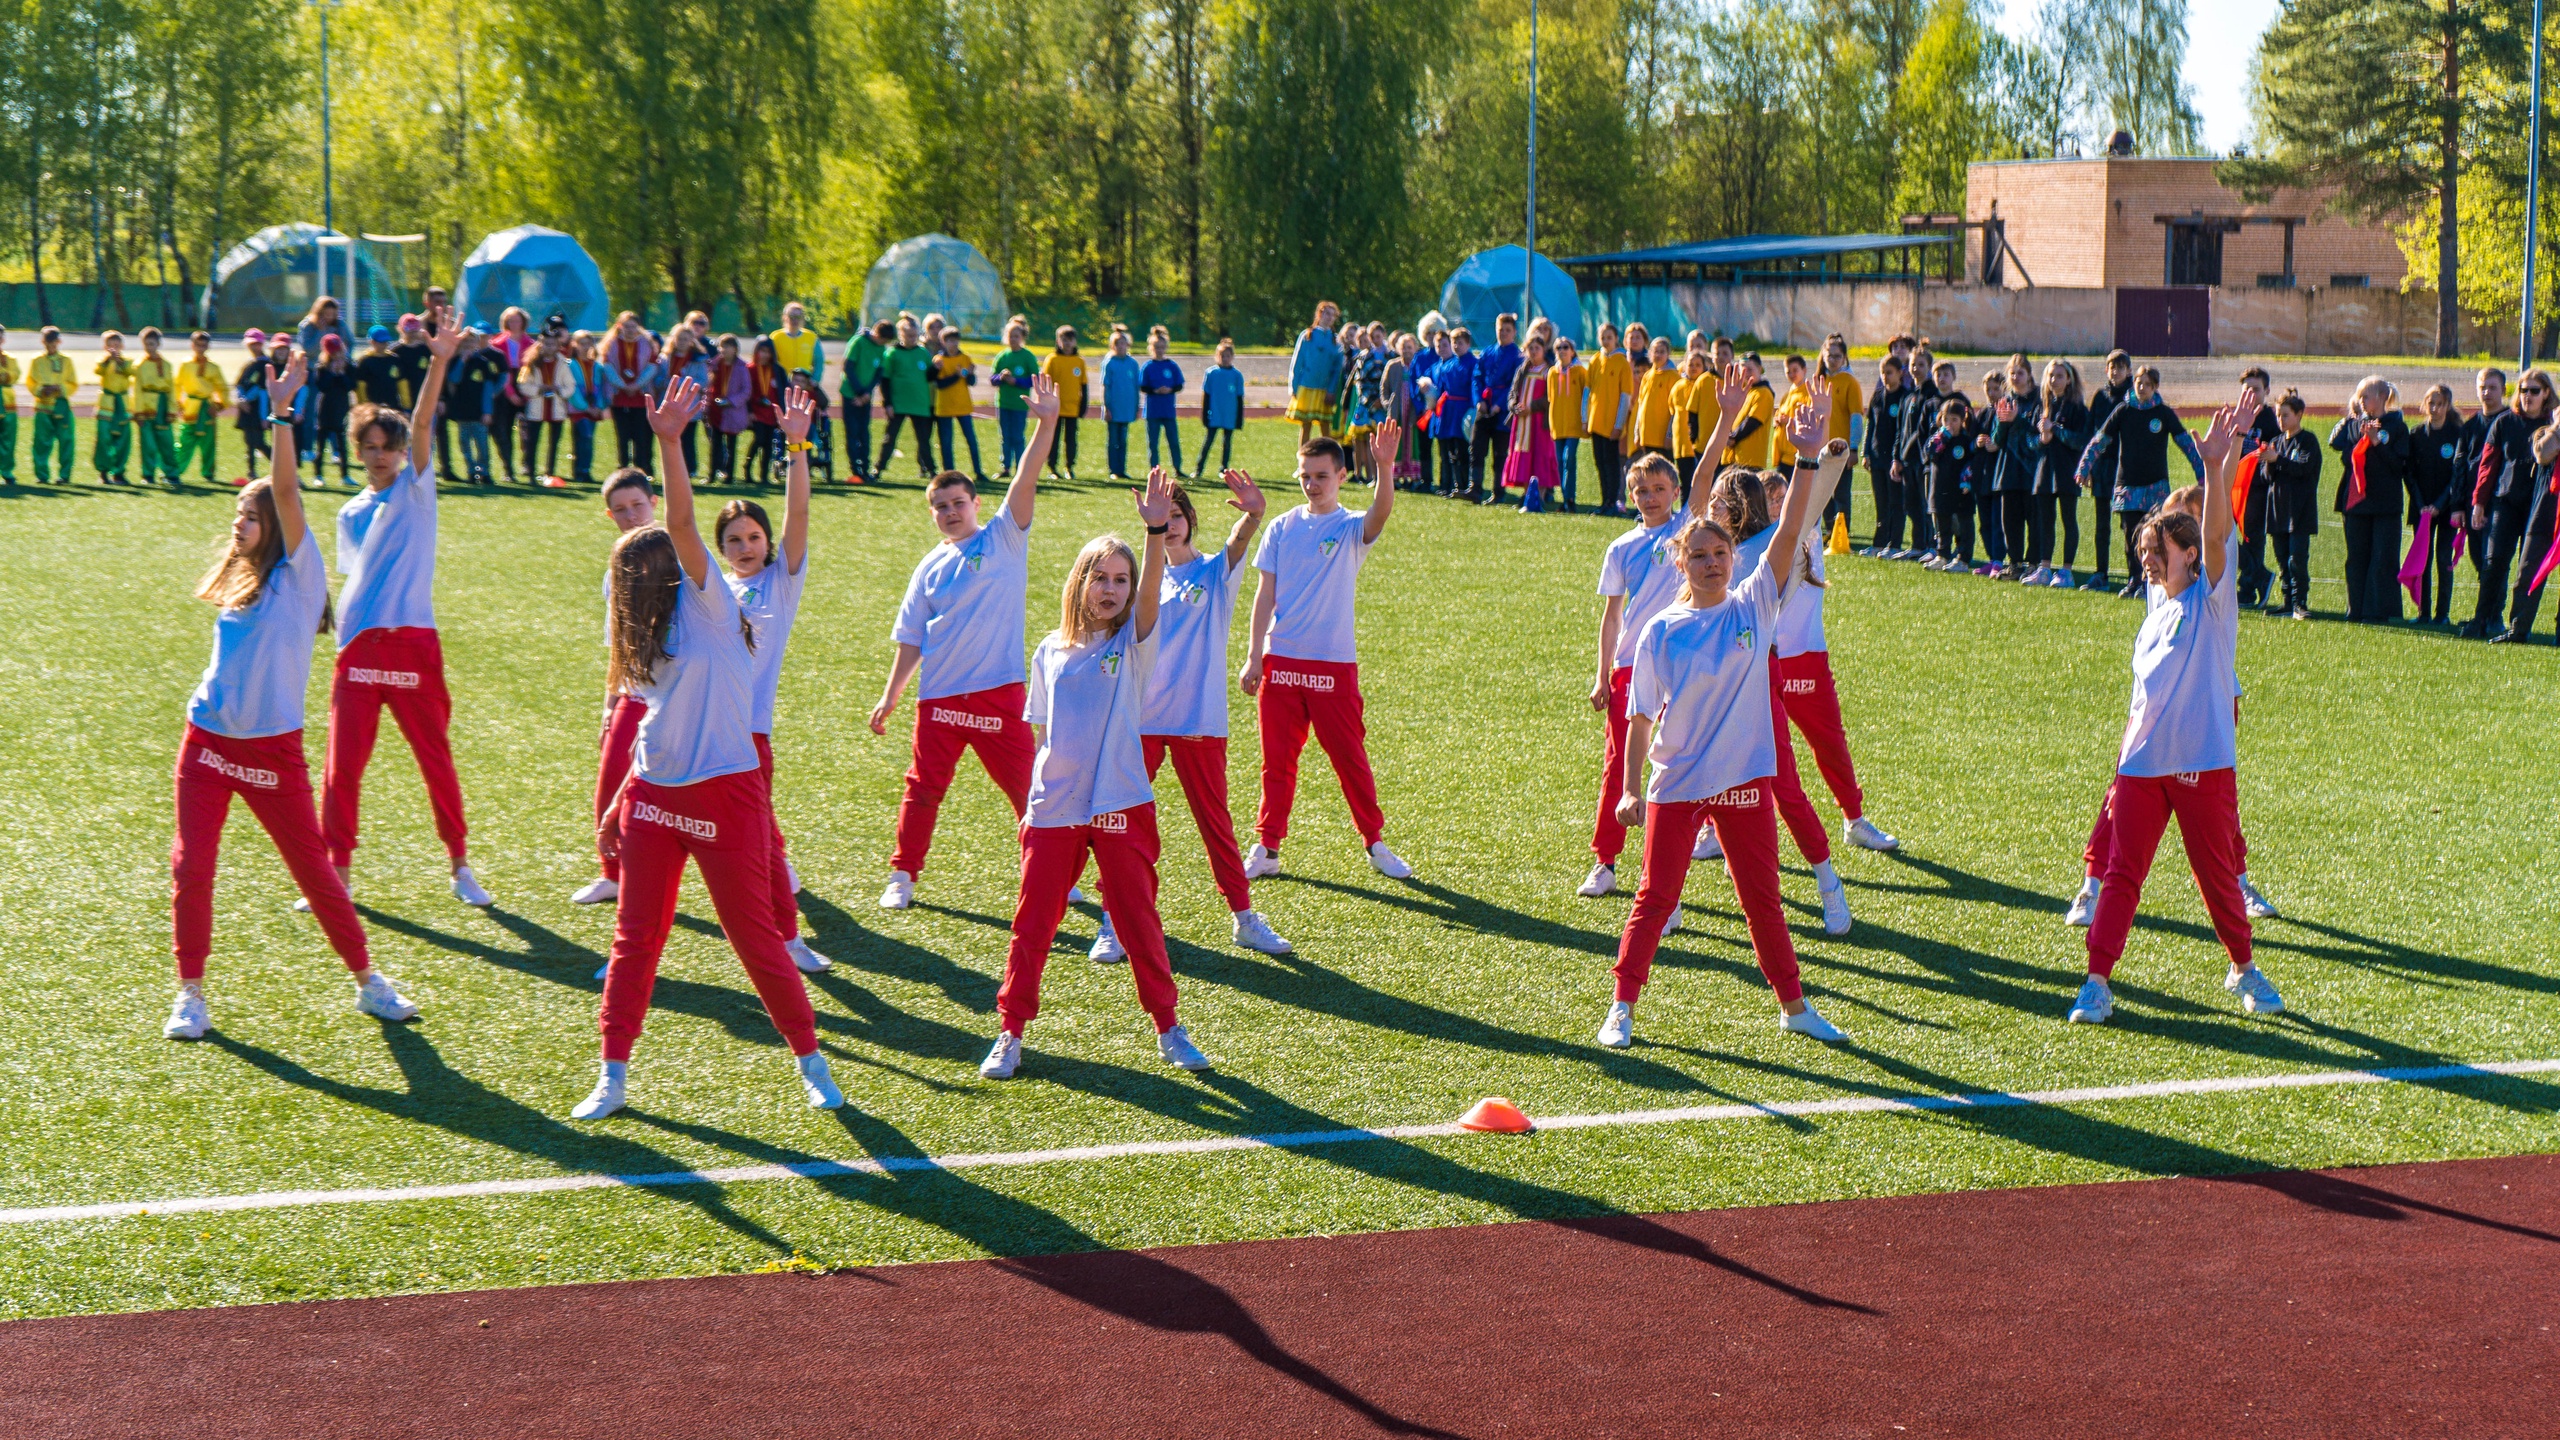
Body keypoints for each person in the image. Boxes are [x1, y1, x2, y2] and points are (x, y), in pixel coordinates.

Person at [573, 374, 845, 1121]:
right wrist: (624, 799)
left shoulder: (714, 603)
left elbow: (686, 522)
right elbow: (659, 724)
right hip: (657, 795)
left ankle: (811, 1060)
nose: (674, 552)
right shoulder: (648, 635)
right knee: (635, 942)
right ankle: (613, 1073)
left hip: (728, 789)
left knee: (755, 939)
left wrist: (669, 441)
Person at [163, 348, 421, 1042]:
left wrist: (280, 415)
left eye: (248, 517)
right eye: (235, 518)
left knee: (314, 872)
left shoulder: (299, 577)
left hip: (273, 752)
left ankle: (368, 980)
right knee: (192, 867)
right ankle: (191, 992)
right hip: (208, 742)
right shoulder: (239, 582)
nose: (238, 526)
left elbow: (284, 488)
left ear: (274, 523)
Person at [1594, 406, 1855, 1051]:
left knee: (1763, 901)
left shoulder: (1755, 601)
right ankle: (1622, 1007)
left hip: (1743, 782)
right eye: (1699, 556)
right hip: (1678, 783)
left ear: (1733, 556)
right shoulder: (1660, 632)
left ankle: (1795, 1008)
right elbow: (1637, 721)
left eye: (1720, 554)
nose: (1711, 564)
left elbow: (1791, 529)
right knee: (1655, 898)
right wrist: (1629, 790)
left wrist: (1804, 458)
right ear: (1680, 563)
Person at [979, 468, 1215, 1081]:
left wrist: (1157, 531)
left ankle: (1169, 1028)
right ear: (1079, 583)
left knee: (1138, 922)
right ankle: (1010, 1032)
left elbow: (1153, 583)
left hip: (1120, 802)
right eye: (1100, 578)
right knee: (1033, 924)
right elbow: (1041, 734)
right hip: (1055, 808)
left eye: (1122, 580)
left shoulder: (1134, 642)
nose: (1110, 589)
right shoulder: (1048, 651)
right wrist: (1035, 805)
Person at [2067, 407, 2283, 1026]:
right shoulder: (2154, 612)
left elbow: (2217, 534)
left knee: (2216, 877)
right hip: (2142, 765)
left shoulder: (2211, 600)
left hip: (2202, 762)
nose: (2147, 562)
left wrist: (2217, 462)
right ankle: (2097, 980)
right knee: (2121, 873)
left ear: (2188, 554)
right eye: (2144, 552)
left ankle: (2242, 966)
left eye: (2157, 550)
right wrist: (2121, 761)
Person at [309, 304, 493, 911]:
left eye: (388, 445)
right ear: (358, 449)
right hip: (359, 649)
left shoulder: (417, 488)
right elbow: (355, 576)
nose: (382, 454)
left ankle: (460, 864)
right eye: (371, 446)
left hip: (415, 643)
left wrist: (438, 364)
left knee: (434, 760)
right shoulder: (349, 511)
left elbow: (421, 429)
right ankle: (336, 873)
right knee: (342, 769)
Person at [871, 377, 1062, 910]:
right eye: (941, 506)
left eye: (958, 502)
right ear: (932, 514)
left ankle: (1054, 873)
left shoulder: (1004, 536)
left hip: (999, 695)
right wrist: (891, 696)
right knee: (923, 789)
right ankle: (903, 876)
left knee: (1031, 792)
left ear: (977, 503)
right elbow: (911, 639)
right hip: (940, 699)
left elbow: (1025, 478)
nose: (951, 511)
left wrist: (1046, 421)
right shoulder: (928, 567)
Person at [1580, 374, 1738, 901]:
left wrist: (1725, 416)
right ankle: (1605, 860)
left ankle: (1708, 831)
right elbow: (1611, 616)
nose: (1648, 497)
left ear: (1676, 493)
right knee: (1618, 767)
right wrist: (1601, 674)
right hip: (1631, 669)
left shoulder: (1686, 531)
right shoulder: (1620, 546)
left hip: (1686, 664)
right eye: (1639, 491)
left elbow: (1708, 467)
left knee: (1692, 754)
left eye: (1658, 489)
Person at [1124, 470, 1294, 959]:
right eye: (1163, 518)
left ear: (1191, 519)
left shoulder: (1215, 572)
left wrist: (1255, 513)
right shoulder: (1141, 580)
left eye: (1177, 516)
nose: (1171, 525)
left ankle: (1244, 918)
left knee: (1215, 824)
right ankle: (1115, 919)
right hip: (1142, 722)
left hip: (1199, 722)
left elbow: (1239, 544)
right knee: (1124, 821)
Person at [1239, 425, 1413, 882]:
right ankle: (1267, 846)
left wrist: (1385, 466)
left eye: (1320, 476)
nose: (1311, 484)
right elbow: (1264, 596)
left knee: (1349, 759)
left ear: (1340, 476)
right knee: (1276, 764)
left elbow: (1381, 511)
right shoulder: (1281, 526)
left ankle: (1375, 843)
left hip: (1333, 667)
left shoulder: (1351, 527)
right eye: (1305, 476)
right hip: (1282, 664)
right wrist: (1254, 654)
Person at [708, 387, 833, 973]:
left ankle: (788, 937)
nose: (746, 546)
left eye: (754, 537)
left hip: (750, 735)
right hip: (703, 734)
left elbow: (800, 514)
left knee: (759, 839)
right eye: (734, 541)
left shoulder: (781, 582)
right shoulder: (712, 587)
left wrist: (797, 447)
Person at [1760, 462, 1899, 860]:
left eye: (1781, 497)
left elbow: (1818, 487)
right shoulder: (1752, 543)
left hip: (1806, 659)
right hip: (1760, 661)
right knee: (1751, 751)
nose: (1776, 504)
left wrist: (1826, 454)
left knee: (1830, 742)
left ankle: (1854, 819)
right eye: (1768, 498)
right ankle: (1716, 827)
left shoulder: (1807, 528)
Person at [573, 468, 664, 907]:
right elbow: (618, 646)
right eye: (622, 510)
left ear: (656, 504)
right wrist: (609, 704)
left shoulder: (679, 560)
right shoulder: (617, 566)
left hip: (672, 697)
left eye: (638, 506)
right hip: (631, 695)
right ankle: (612, 874)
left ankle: (771, 857)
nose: (632, 516)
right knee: (610, 782)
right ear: (610, 515)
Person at [2078, 363, 2203, 597]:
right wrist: (2084, 467)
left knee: (2157, 535)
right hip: (2127, 486)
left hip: (2155, 487)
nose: (2142, 387)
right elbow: (2100, 440)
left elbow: (2185, 444)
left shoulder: (2163, 413)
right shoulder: (2123, 410)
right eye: (2138, 383)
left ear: (2155, 387)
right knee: (2130, 535)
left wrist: (2202, 473)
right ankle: (2135, 580)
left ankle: (2153, 582)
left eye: (2147, 384)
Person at [2328, 376, 2409, 623]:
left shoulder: (2396, 427)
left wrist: (2377, 443)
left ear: (2383, 397)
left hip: (2385, 504)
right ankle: (2357, 609)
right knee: (2356, 558)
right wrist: (2351, 419)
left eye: (2367, 396)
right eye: (2359, 396)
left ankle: (2381, 611)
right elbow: (2336, 444)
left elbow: (2400, 466)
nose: (2362, 401)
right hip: (2356, 502)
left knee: (2382, 558)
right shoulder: (2355, 425)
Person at [2255, 389, 2322, 618]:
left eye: (2285, 415)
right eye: (2278, 415)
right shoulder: (2275, 442)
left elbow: (2304, 469)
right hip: (2277, 510)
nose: (2280, 420)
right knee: (2282, 559)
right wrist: (2268, 462)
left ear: (2299, 414)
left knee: (2297, 559)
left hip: (2299, 512)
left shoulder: (2307, 441)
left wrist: (2278, 460)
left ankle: (2299, 603)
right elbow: (2266, 478)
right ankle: (2286, 602)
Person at [2025, 359, 2091, 586]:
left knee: (2068, 519)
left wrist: (2057, 431)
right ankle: (2044, 569)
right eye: (2051, 375)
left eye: (2060, 376)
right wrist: (2041, 439)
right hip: (2044, 472)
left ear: (2069, 379)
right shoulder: (2041, 406)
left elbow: (2081, 440)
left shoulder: (2077, 408)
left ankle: (2066, 571)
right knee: (2045, 521)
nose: (2054, 380)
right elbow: (2030, 441)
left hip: (2067, 472)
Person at [2406, 384, 2466, 626]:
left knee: (2443, 558)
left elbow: (2457, 474)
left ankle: (2442, 615)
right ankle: (2423, 613)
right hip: (2422, 509)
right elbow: (2408, 473)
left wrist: (2441, 504)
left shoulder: (2456, 434)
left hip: (2447, 508)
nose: (2435, 408)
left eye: (2440, 404)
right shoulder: (2417, 434)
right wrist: (2422, 504)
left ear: (2447, 406)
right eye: (2431, 403)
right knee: (2423, 559)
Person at [2080, 350, 2133, 589]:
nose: (2116, 371)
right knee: (2102, 524)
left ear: (2128, 370)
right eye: (2112, 367)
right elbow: (2090, 432)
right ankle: (2101, 573)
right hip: (2102, 466)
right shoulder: (2100, 398)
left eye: (2120, 367)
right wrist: (2088, 466)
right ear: (2106, 370)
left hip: (2127, 467)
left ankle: (2136, 575)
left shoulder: (2134, 397)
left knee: (2128, 524)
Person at [600, 312, 663, 475]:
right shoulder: (612, 344)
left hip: (642, 398)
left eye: (633, 326)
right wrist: (622, 385)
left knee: (641, 436)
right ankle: (623, 469)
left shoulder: (646, 343)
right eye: (626, 326)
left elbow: (652, 366)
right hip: (619, 398)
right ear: (619, 326)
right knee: (622, 435)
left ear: (638, 327)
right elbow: (608, 367)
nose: (630, 330)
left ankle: (643, 469)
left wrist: (636, 385)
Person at [1503, 333, 1561, 511]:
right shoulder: (1523, 369)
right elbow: (1513, 392)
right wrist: (1514, 406)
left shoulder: (1549, 370)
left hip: (1539, 422)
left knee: (1540, 456)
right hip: (1522, 422)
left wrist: (1532, 407)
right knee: (1523, 456)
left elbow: (1551, 397)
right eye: (1531, 348)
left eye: (1537, 348)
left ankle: (1540, 495)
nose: (1534, 352)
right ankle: (1527, 494)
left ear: (1544, 350)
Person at [1469, 313, 1522, 502]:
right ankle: (1475, 486)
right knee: (1477, 447)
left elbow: (1513, 384)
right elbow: (1477, 377)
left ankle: (1498, 491)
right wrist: (1479, 400)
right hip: (1484, 406)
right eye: (1501, 329)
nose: (1504, 333)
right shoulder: (1487, 352)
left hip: (1502, 411)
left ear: (1514, 332)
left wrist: (1500, 404)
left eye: (1508, 330)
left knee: (1500, 453)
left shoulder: (1517, 356)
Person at [879, 316, 938, 480]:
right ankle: (879, 468)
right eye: (909, 335)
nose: (912, 338)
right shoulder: (892, 353)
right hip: (898, 403)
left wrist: (936, 368)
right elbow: (885, 380)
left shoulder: (922, 353)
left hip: (920, 403)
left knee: (924, 440)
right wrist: (888, 403)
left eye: (914, 335)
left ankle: (931, 469)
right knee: (890, 437)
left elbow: (929, 377)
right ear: (901, 334)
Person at [517, 331, 579, 481]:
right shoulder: (531, 362)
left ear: (558, 346)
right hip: (536, 407)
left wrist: (559, 390)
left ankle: (549, 473)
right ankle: (531, 472)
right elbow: (523, 384)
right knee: (532, 442)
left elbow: (570, 386)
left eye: (552, 344)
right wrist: (539, 389)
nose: (549, 347)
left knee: (554, 443)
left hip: (556, 408)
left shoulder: (562, 362)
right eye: (545, 343)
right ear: (540, 344)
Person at [1583, 323, 1631, 515]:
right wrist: (1585, 418)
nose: (1605, 340)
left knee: (1611, 463)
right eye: (1603, 337)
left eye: (1609, 337)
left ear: (1616, 338)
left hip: (1611, 424)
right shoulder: (1595, 360)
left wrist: (1618, 424)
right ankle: (1604, 501)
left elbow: (1625, 396)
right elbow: (1587, 391)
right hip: (1596, 422)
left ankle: (1612, 501)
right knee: (1600, 462)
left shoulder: (1622, 363)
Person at [171, 331, 230, 484]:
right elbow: (177, 385)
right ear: (192, 345)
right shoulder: (186, 365)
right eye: (198, 345)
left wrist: (218, 404)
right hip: (190, 407)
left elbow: (222, 387)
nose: (201, 348)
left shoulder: (213, 367)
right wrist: (177, 403)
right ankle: (174, 471)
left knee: (208, 443)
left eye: (204, 345)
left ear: (208, 346)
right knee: (184, 442)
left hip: (206, 408)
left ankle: (208, 473)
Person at [446, 332, 504, 485]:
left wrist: (487, 411)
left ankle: (484, 471)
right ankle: (471, 471)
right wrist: (462, 361)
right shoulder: (455, 361)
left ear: (477, 344)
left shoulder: (483, 363)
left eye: (472, 342)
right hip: (462, 411)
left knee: (482, 445)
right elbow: (454, 379)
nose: (468, 346)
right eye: (465, 342)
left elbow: (488, 389)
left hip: (479, 413)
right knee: (464, 443)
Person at [1286, 300, 1345, 446]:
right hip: (1306, 386)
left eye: (1333, 315)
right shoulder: (1307, 335)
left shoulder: (1336, 340)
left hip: (1325, 390)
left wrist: (1331, 390)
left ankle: (1328, 459)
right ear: (1319, 314)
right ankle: (1303, 458)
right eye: (1327, 314)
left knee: (1325, 425)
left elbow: (1336, 370)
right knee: (1306, 425)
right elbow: (1297, 362)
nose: (1329, 317)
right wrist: (1293, 386)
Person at [487, 308, 535, 483]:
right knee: (504, 430)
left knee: (528, 430)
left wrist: (527, 393)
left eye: (517, 321)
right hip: (504, 389)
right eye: (511, 321)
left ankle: (528, 466)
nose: (514, 324)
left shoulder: (531, 344)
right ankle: (508, 469)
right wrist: (510, 393)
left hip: (526, 385)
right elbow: (501, 373)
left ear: (523, 322)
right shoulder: (497, 344)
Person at [933, 325, 986, 481]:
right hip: (945, 406)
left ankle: (978, 471)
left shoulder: (965, 359)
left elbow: (971, 381)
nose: (953, 344)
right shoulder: (939, 360)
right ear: (943, 342)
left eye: (956, 341)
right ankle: (948, 474)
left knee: (971, 440)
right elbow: (940, 384)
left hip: (963, 405)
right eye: (950, 341)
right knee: (946, 442)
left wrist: (970, 374)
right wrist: (957, 376)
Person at [843, 318, 893, 483]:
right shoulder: (858, 342)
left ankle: (865, 468)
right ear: (876, 333)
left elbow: (879, 372)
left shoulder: (881, 348)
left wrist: (866, 393)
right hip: (851, 394)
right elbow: (848, 367)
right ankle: (855, 469)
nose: (882, 343)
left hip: (865, 397)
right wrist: (858, 392)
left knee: (864, 432)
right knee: (852, 431)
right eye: (882, 339)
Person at [991, 315, 1041, 477]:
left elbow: (1035, 379)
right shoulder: (1002, 356)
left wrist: (1016, 381)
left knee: (1018, 437)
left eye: (1016, 336)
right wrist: (1001, 378)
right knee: (1005, 437)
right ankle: (1006, 467)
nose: (1013, 339)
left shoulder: (1027, 356)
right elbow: (993, 379)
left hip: (1019, 405)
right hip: (1003, 403)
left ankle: (1021, 467)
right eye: (1010, 336)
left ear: (1022, 337)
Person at [1430, 328, 1479, 494]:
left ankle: (1464, 485)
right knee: (1448, 450)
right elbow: (1441, 388)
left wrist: (1474, 409)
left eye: (1460, 343)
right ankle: (1449, 484)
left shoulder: (1473, 363)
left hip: (1463, 410)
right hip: (1448, 410)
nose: (1457, 346)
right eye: (1454, 342)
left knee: (1462, 450)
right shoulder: (1448, 365)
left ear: (1468, 344)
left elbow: (1474, 386)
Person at [306, 334, 357, 485]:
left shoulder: (349, 366)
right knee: (321, 444)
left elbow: (351, 386)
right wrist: (332, 373)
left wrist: (341, 374)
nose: (338, 355)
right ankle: (318, 475)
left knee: (342, 444)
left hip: (342, 407)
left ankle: (345, 475)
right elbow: (322, 387)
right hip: (325, 407)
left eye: (339, 351)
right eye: (334, 352)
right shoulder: (321, 368)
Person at [129, 327, 178, 485]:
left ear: (158, 343)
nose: (149, 347)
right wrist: (138, 412)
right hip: (146, 406)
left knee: (167, 443)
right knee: (148, 444)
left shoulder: (167, 365)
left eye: (152, 344)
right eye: (146, 344)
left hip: (163, 406)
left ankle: (171, 473)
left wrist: (172, 409)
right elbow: (136, 390)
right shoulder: (139, 365)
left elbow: (171, 388)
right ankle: (148, 474)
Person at [1042, 325, 1089, 480]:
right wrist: (1045, 403)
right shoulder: (1052, 360)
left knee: (1071, 440)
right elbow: (1045, 383)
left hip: (1072, 408)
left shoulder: (1079, 361)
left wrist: (1083, 404)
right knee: (1053, 439)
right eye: (1064, 340)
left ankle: (1069, 467)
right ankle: (1052, 468)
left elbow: (1083, 384)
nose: (1067, 344)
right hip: (1054, 408)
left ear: (1075, 341)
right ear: (1058, 341)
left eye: (1070, 340)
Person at [1548, 335, 1587, 512]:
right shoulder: (1552, 373)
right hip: (1557, 424)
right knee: (1559, 462)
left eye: (1566, 347)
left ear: (1572, 351)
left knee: (1568, 459)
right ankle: (1564, 500)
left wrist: (1584, 419)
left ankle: (1570, 498)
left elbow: (1585, 396)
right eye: (1559, 348)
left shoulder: (1580, 371)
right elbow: (1551, 398)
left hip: (1573, 424)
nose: (1562, 351)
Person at [1140, 325, 1186, 476]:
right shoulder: (1148, 367)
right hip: (1153, 410)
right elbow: (1143, 386)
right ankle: (1154, 470)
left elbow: (1179, 385)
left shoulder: (1171, 366)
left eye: (1162, 347)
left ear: (1165, 347)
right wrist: (1155, 390)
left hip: (1168, 410)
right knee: (1153, 443)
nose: (1159, 350)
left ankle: (1178, 468)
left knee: (1173, 441)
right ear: (1151, 348)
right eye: (1156, 347)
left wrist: (1170, 390)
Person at [1197, 337, 1246, 476]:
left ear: (1232, 357)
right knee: (1208, 441)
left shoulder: (1236, 375)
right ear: (1217, 356)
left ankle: (1224, 469)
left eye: (1228, 356)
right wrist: (1205, 415)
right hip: (1215, 414)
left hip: (1229, 415)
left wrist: (1239, 419)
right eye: (1222, 356)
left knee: (1227, 443)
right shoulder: (1211, 373)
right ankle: (1199, 469)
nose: (1225, 359)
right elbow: (1206, 396)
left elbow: (1239, 398)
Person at [93, 330, 136, 484]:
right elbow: (98, 370)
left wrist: (120, 362)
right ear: (105, 347)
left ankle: (119, 472)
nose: (114, 348)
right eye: (110, 345)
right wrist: (108, 360)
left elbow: (131, 371)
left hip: (123, 405)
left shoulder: (128, 361)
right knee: (104, 438)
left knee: (123, 439)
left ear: (122, 346)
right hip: (106, 404)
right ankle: (103, 471)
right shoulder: (102, 361)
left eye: (116, 345)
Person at [705, 333, 749, 482]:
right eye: (721, 346)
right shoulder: (714, 365)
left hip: (732, 411)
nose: (723, 350)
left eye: (727, 347)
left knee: (731, 445)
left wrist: (731, 401)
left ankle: (729, 475)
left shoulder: (742, 367)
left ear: (735, 349)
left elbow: (746, 391)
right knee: (715, 444)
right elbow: (708, 386)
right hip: (716, 410)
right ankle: (712, 474)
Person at [745, 337, 786, 486]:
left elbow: (783, 391)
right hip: (756, 412)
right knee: (759, 439)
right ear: (756, 351)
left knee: (769, 444)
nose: (765, 355)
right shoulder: (750, 369)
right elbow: (747, 392)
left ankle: (764, 476)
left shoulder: (777, 370)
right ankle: (747, 468)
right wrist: (749, 411)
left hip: (773, 414)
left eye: (768, 352)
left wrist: (783, 412)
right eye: (762, 351)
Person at [1102, 326, 1141, 480]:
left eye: (1123, 343)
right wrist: (1106, 407)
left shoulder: (1132, 364)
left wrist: (1137, 406)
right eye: (1117, 344)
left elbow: (1136, 387)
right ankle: (1113, 469)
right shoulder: (1109, 363)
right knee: (1113, 440)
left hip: (1127, 408)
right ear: (1113, 346)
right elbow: (1106, 386)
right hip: (1114, 408)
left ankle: (1122, 469)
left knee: (1123, 441)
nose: (1121, 347)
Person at [231, 332, 271, 480]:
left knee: (259, 442)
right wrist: (240, 399)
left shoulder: (265, 364)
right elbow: (239, 383)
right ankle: (251, 472)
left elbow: (261, 387)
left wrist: (246, 399)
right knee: (249, 442)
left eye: (257, 344)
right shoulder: (249, 364)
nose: (254, 347)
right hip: (246, 409)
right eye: (251, 344)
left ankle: (283, 468)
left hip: (258, 408)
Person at [353, 326, 403, 408]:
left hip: (392, 405)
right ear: (372, 342)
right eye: (381, 342)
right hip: (372, 406)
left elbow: (401, 381)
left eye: (386, 341)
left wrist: (405, 405)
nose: (384, 344)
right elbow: (360, 386)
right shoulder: (364, 361)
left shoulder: (394, 359)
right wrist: (363, 405)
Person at [0, 324, 16, 484]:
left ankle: (7, 471)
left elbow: (15, 375)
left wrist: (5, 375)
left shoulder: (10, 359)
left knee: (8, 439)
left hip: (8, 403)